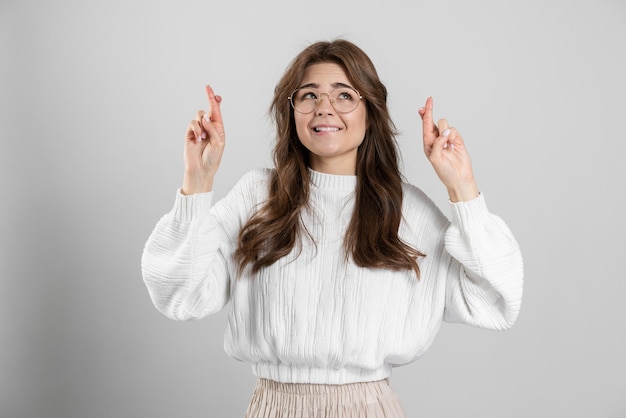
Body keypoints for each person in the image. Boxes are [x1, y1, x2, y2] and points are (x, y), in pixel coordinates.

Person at [141, 39, 523, 417]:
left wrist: (462, 187)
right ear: (291, 113)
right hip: (273, 408)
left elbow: (495, 301)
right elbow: (178, 295)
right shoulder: (257, 196)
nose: (324, 108)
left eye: (344, 95)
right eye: (308, 95)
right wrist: (198, 180)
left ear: (370, 112)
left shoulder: (406, 209)